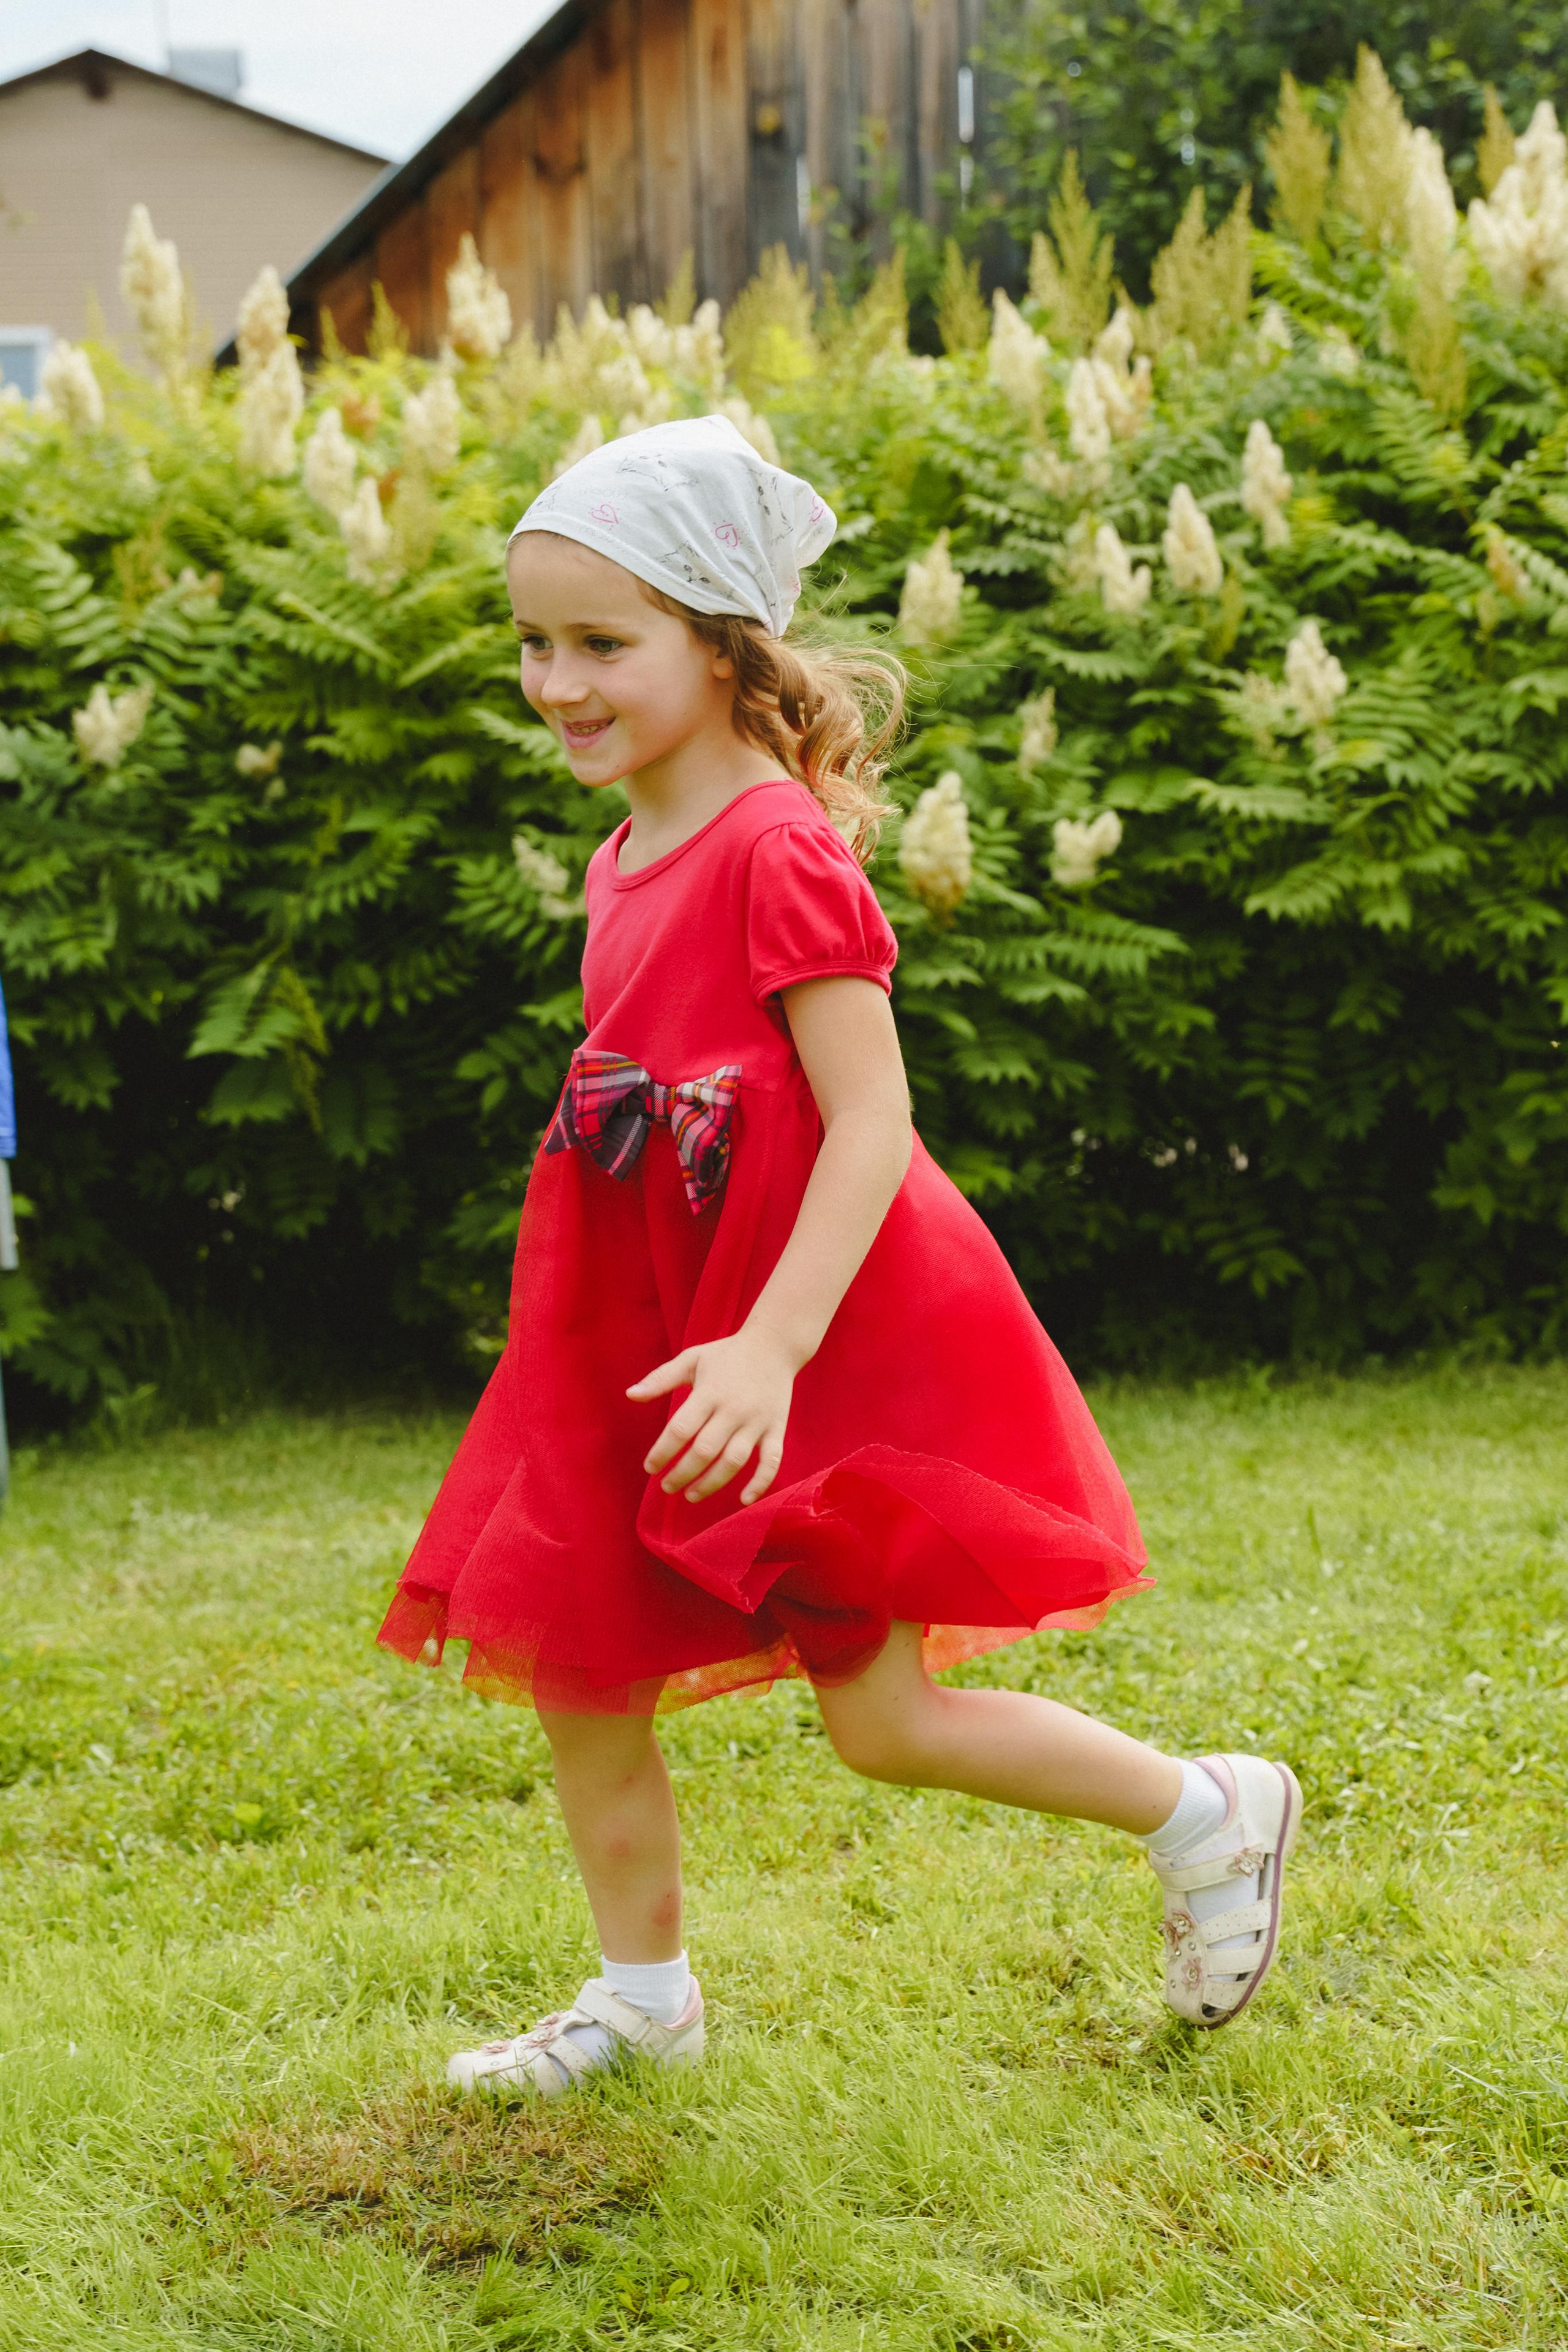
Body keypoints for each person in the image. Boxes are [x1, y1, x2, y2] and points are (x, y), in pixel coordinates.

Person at [378, 416, 1301, 2095]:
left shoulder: (775, 847)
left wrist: (773, 1348)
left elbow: (869, 1121)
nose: (558, 681)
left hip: (787, 1327)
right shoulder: (623, 851)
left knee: (885, 1724)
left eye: (602, 642)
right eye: (533, 643)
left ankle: (1208, 1810)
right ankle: (642, 1999)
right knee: (584, 1657)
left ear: (722, 643)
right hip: (636, 1322)